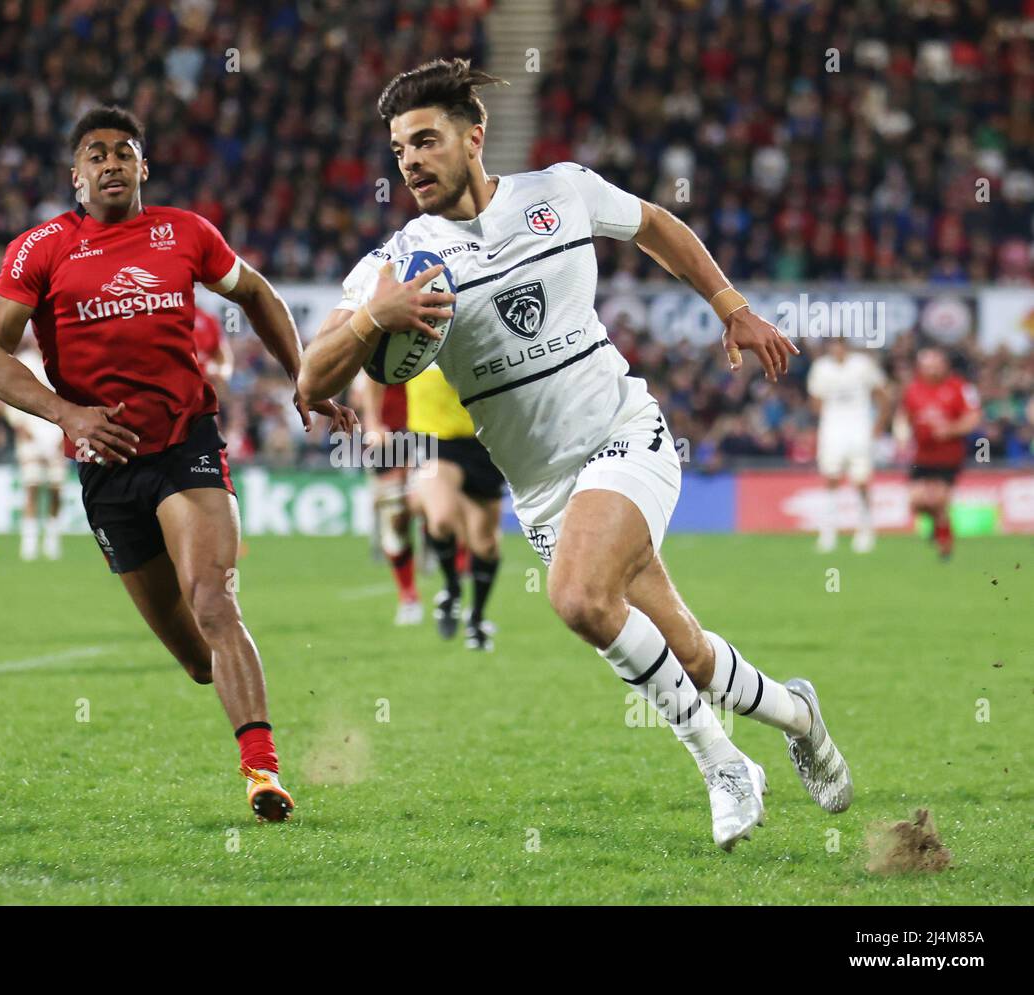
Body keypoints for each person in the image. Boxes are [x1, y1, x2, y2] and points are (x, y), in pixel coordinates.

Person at [298, 59, 852, 850]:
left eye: (425, 141)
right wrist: (371, 319)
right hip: (542, 484)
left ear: (474, 137)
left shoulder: (559, 191)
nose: (410, 162)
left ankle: (724, 765)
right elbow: (311, 373)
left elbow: (656, 222)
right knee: (688, 655)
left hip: (624, 432)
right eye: (398, 150)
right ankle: (801, 716)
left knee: (580, 599)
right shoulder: (402, 261)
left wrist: (732, 306)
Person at [0, 106, 356, 821]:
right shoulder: (39, 250)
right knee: (194, 655)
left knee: (215, 603)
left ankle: (262, 773)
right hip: (103, 462)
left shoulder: (185, 232)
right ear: (75, 174)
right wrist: (68, 413)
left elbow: (259, 294)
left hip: (187, 443)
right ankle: (241, 694)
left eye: (125, 151)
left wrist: (306, 381)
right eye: (96, 153)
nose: (111, 162)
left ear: (144, 167)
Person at [405, 365, 504, 649]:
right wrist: (373, 420)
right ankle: (451, 587)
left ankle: (476, 616)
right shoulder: (409, 333)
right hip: (434, 441)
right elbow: (374, 375)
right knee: (442, 519)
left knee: (485, 545)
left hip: (482, 444)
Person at [806, 337, 890, 553]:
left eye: (840, 343)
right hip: (832, 429)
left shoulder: (862, 364)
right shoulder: (821, 367)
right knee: (831, 478)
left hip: (859, 428)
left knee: (861, 480)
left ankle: (865, 530)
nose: (837, 348)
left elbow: (881, 394)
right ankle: (828, 532)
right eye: (832, 344)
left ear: (846, 345)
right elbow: (815, 400)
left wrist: (879, 425)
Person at [352, 375, 423, 625]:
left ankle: (454, 585)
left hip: (429, 430)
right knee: (395, 516)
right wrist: (372, 422)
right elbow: (362, 386)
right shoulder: (378, 341)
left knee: (435, 507)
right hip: (388, 435)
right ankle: (409, 597)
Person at [900, 348, 981, 561]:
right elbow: (905, 418)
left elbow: (973, 417)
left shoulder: (960, 387)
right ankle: (938, 527)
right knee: (916, 502)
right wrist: (902, 438)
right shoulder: (913, 389)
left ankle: (945, 547)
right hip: (922, 454)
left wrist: (951, 429)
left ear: (944, 365)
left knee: (939, 499)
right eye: (927, 365)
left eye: (935, 364)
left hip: (948, 455)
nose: (931, 369)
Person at [4, 334, 67, 561]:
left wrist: (67, 432)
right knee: (31, 485)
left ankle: (52, 538)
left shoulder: (63, 361)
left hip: (57, 431)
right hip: (31, 431)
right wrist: (19, 425)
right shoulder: (23, 362)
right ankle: (29, 541)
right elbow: (10, 395)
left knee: (55, 488)